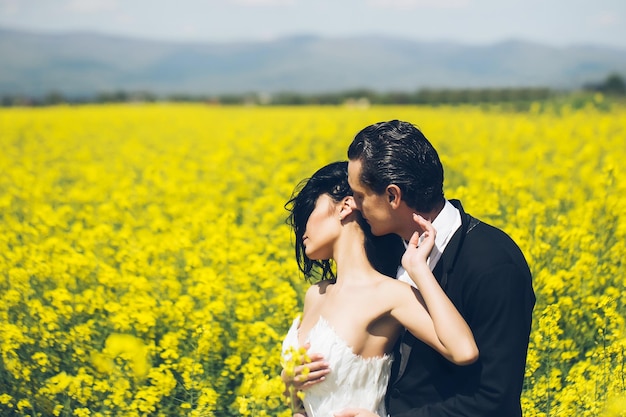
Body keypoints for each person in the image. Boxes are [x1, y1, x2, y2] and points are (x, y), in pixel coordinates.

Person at [294, 120, 535, 417]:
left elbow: (494, 400)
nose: (353, 206)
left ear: (393, 196)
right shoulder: (385, 251)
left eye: (360, 196)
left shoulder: (493, 264)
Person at [281, 161, 478, 417]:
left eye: (308, 210)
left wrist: (418, 270)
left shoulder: (390, 294)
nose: (301, 230)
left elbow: (464, 350)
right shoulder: (315, 296)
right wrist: (290, 384)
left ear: (345, 207)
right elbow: (306, 405)